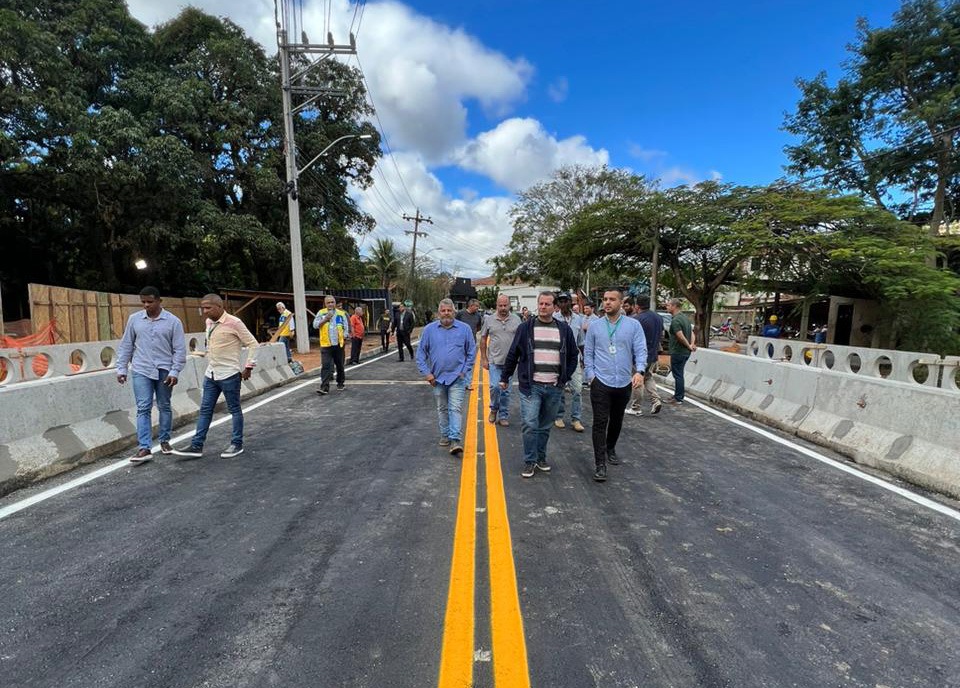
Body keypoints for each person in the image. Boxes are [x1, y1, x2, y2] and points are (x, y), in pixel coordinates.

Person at [499, 292, 579, 478]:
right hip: (531, 385)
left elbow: (573, 355)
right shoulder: (526, 328)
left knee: (544, 425)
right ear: (538, 305)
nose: (543, 307)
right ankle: (529, 461)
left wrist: (564, 377)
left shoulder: (564, 329)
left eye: (547, 304)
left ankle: (541, 458)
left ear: (554, 307)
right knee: (529, 423)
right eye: (541, 303)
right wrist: (505, 377)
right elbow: (513, 354)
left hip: (554, 386)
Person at [172, 294, 257, 459]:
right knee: (205, 410)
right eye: (203, 308)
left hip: (229, 374)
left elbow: (253, 344)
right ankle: (196, 445)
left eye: (208, 308)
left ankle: (236, 443)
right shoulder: (209, 322)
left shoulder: (235, 322)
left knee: (234, 409)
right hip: (211, 373)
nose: (204, 311)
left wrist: (248, 367)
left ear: (219, 306)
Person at [116, 286, 187, 463]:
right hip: (141, 368)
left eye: (150, 301)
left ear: (159, 301)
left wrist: (175, 371)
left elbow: (179, 350)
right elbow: (126, 345)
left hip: (165, 370)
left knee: (164, 405)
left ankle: (164, 441)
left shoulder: (173, 322)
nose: (146, 305)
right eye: (144, 302)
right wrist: (122, 368)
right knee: (143, 407)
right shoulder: (134, 320)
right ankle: (144, 447)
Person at [584, 288, 646, 482]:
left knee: (617, 420)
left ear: (621, 302)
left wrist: (640, 371)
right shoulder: (595, 326)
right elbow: (588, 353)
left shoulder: (633, 325)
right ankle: (600, 464)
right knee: (600, 422)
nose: (607, 303)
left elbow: (641, 350)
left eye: (612, 299)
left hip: (623, 382)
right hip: (600, 381)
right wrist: (591, 375)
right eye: (605, 299)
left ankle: (610, 447)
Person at [417, 298, 477, 456]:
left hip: (457, 377)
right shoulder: (429, 330)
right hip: (437, 379)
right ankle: (445, 435)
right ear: (438, 313)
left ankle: (455, 439)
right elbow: (421, 354)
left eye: (449, 310)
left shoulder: (464, 329)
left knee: (455, 408)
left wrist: (464, 371)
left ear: (454, 312)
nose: (446, 313)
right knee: (442, 408)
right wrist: (427, 374)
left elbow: (471, 352)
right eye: (443, 311)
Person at [480, 294, 522, 427]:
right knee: (494, 386)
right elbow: (483, 338)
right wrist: (484, 358)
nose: (503, 308)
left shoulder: (516, 320)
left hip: (510, 363)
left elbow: (521, 339)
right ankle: (493, 408)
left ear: (510, 305)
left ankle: (503, 415)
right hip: (494, 361)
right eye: (500, 305)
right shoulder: (489, 320)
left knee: (506, 391)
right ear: (496, 305)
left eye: (505, 305)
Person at [552, 292, 586, 432]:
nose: (563, 303)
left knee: (577, 390)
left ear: (570, 302)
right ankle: (559, 416)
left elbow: (581, 341)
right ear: (558, 304)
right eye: (560, 301)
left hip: (574, 359)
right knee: (559, 389)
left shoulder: (578, 319)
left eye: (566, 300)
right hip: (558, 360)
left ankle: (576, 419)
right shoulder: (553, 318)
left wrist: (584, 358)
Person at [625, 295, 663, 417]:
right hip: (653, 355)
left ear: (637, 306)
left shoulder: (637, 319)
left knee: (637, 380)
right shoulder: (658, 318)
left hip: (640, 356)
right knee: (648, 377)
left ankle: (636, 407)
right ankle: (656, 400)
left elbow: (631, 339)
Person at [313, 295, 349, 394]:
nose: (330, 304)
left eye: (332, 302)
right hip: (326, 344)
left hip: (338, 344)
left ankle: (340, 382)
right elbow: (315, 325)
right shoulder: (321, 313)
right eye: (328, 302)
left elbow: (346, 327)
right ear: (325, 304)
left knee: (339, 365)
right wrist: (325, 319)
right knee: (326, 366)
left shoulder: (341, 314)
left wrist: (345, 336)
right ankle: (324, 387)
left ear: (335, 303)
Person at [664, 297, 696, 405]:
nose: (666, 307)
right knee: (679, 374)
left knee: (677, 375)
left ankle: (678, 397)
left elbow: (680, 336)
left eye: (668, 305)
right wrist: (692, 344)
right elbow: (692, 333)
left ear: (674, 306)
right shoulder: (685, 318)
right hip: (685, 352)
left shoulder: (676, 320)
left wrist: (688, 345)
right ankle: (678, 395)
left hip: (678, 351)